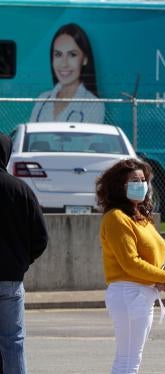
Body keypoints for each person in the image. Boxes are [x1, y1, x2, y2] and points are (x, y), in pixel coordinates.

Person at [96, 158, 165, 374]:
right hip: (129, 294)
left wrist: (161, 273)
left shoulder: (139, 216)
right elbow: (130, 262)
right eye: (134, 180)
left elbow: (150, 255)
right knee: (128, 361)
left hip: (140, 294)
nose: (141, 184)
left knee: (131, 359)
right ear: (119, 186)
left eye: (143, 179)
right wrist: (163, 277)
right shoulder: (116, 218)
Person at [0, 133, 48, 373]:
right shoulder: (21, 190)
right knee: (13, 342)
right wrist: (22, 262)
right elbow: (40, 238)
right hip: (10, 280)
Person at [30, 23, 105, 123]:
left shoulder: (93, 105)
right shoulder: (42, 99)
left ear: (85, 59)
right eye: (58, 54)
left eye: (72, 55)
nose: (64, 64)